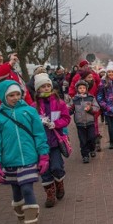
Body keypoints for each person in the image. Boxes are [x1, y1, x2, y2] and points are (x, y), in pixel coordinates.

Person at [0, 80, 50, 224]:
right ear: (3, 97)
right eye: (11, 95)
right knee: (16, 191)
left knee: (27, 189)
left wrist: (43, 155)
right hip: (10, 161)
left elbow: (39, 134)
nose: (15, 98)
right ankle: (21, 219)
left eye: (17, 94)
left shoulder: (29, 112)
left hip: (28, 159)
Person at [34, 73, 71, 208]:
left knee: (56, 166)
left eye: (48, 85)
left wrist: (56, 123)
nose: (46, 88)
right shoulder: (34, 106)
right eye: (43, 86)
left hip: (55, 141)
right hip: (40, 143)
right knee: (44, 170)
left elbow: (66, 118)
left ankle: (59, 184)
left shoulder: (59, 102)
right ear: (38, 89)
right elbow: (30, 124)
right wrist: (38, 122)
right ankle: (50, 195)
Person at [71, 80, 100, 163]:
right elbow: (70, 109)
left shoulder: (91, 98)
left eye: (84, 88)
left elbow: (97, 108)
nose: (82, 89)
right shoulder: (75, 99)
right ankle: (85, 155)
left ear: (86, 89)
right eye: (80, 88)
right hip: (80, 123)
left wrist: (90, 109)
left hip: (90, 122)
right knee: (83, 140)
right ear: (77, 89)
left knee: (91, 138)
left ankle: (92, 149)